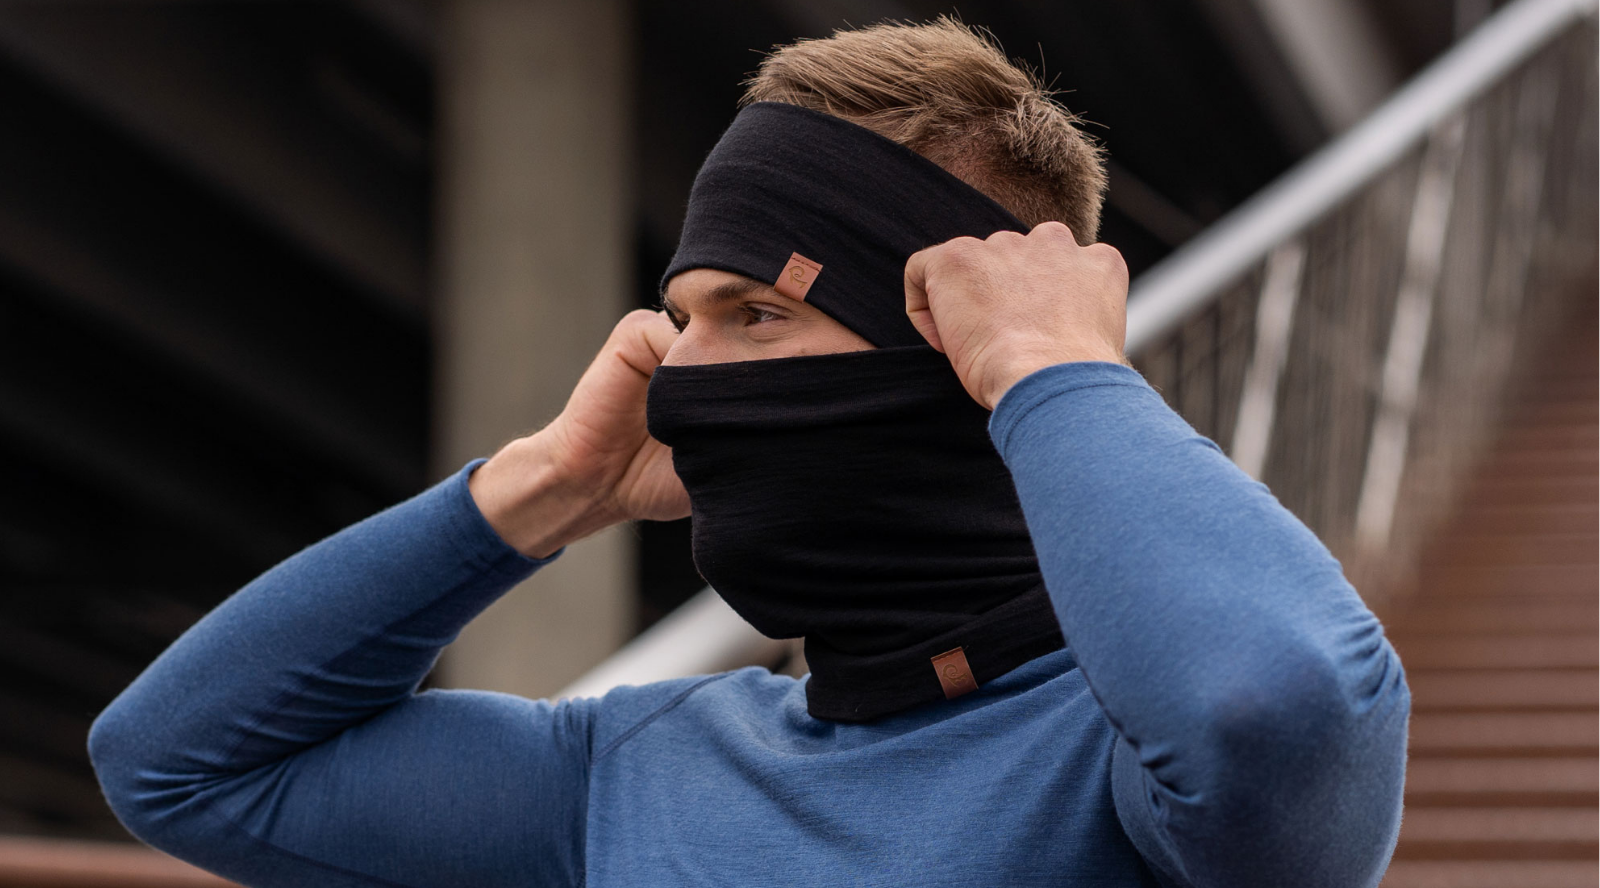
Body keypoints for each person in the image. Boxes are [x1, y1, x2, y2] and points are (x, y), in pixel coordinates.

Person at [88, 19, 1409, 888]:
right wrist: (545, 487)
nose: (679, 375)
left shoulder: (1132, 772)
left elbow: (1266, 711)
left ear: (959, 349)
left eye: (755, 314)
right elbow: (178, 763)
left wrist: (1057, 372)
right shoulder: (625, 773)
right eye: (685, 317)